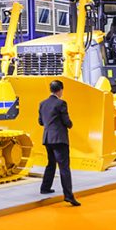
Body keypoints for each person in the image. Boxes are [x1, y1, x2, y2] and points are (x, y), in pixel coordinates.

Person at [38, 79, 80, 207]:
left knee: (51, 164)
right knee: (64, 167)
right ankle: (68, 195)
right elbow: (66, 121)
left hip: (47, 139)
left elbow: (40, 122)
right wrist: (70, 124)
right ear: (60, 90)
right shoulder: (61, 103)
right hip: (59, 139)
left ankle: (45, 187)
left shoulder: (42, 103)